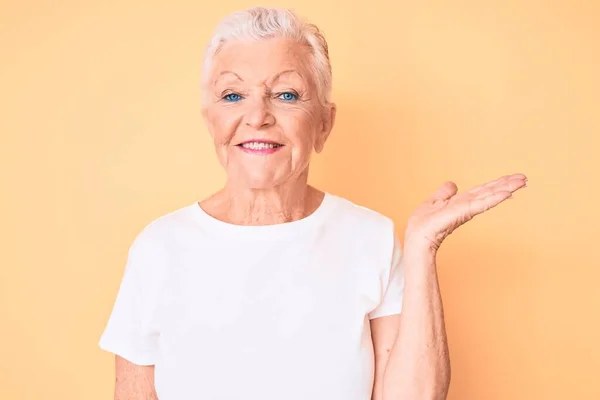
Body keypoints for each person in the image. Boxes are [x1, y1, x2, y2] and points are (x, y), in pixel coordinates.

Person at [98, 7, 527, 400]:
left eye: (286, 95)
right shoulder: (159, 247)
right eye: (233, 96)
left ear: (323, 123)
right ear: (210, 119)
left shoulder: (372, 238)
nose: (257, 115)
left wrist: (422, 250)